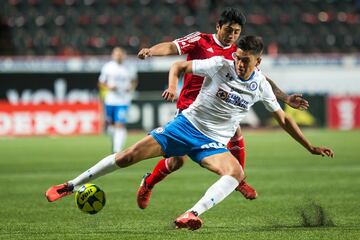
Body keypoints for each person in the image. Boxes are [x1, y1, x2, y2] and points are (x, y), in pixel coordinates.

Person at [45, 35, 333, 231]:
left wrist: (309, 146)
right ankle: (70, 186)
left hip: (212, 142)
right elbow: (179, 63)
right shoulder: (221, 64)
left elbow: (283, 120)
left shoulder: (261, 86)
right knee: (127, 156)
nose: (240, 63)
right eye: (239, 57)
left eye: (247, 60)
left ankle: (191, 214)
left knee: (235, 173)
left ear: (258, 62)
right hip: (185, 126)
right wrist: (172, 84)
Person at [136, 7, 309, 209]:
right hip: (191, 107)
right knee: (177, 162)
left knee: (236, 129)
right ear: (218, 26)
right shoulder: (201, 40)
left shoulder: (239, 53)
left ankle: (238, 180)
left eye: (236, 32)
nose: (232, 36)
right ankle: (149, 183)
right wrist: (151, 51)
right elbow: (171, 47)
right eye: (229, 30)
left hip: (221, 106)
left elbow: (261, 79)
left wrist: (285, 97)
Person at [98, 47, 138, 153]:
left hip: (124, 100)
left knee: (119, 124)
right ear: (113, 55)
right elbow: (101, 82)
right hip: (110, 100)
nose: (118, 56)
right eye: (116, 54)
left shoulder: (130, 67)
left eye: (120, 54)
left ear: (124, 55)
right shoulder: (108, 67)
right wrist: (109, 87)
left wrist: (131, 87)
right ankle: (115, 143)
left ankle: (117, 150)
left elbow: (134, 81)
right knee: (111, 126)